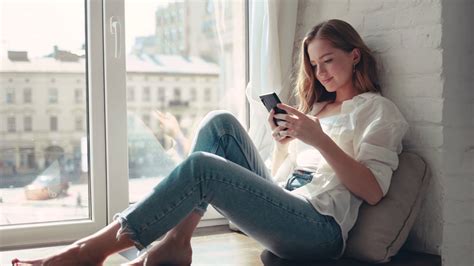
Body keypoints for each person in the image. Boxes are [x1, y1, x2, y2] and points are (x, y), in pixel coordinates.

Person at [12, 19, 408, 266]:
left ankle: (90, 251)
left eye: (329, 60)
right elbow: (287, 177)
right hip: (287, 202)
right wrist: (287, 141)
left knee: (203, 165)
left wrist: (318, 140)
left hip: (318, 231)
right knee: (219, 124)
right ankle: (176, 242)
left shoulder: (379, 112)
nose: (320, 72)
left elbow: (372, 191)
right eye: (314, 64)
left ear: (355, 56)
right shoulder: (316, 110)